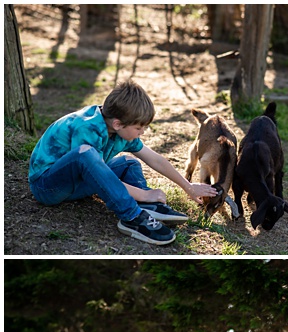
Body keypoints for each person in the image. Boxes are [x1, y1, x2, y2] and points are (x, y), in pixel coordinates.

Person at [28, 78, 218, 246]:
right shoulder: (88, 127)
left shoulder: (118, 128)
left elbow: (155, 159)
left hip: (76, 183)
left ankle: (144, 207)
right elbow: (93, 172)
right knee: (86, 154)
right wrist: (145, 193)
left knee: (129, 162)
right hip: (48, 187)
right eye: (139, 127)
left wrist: (188, 187)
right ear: (118, 123)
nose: (142, 131)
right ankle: (131, 216)